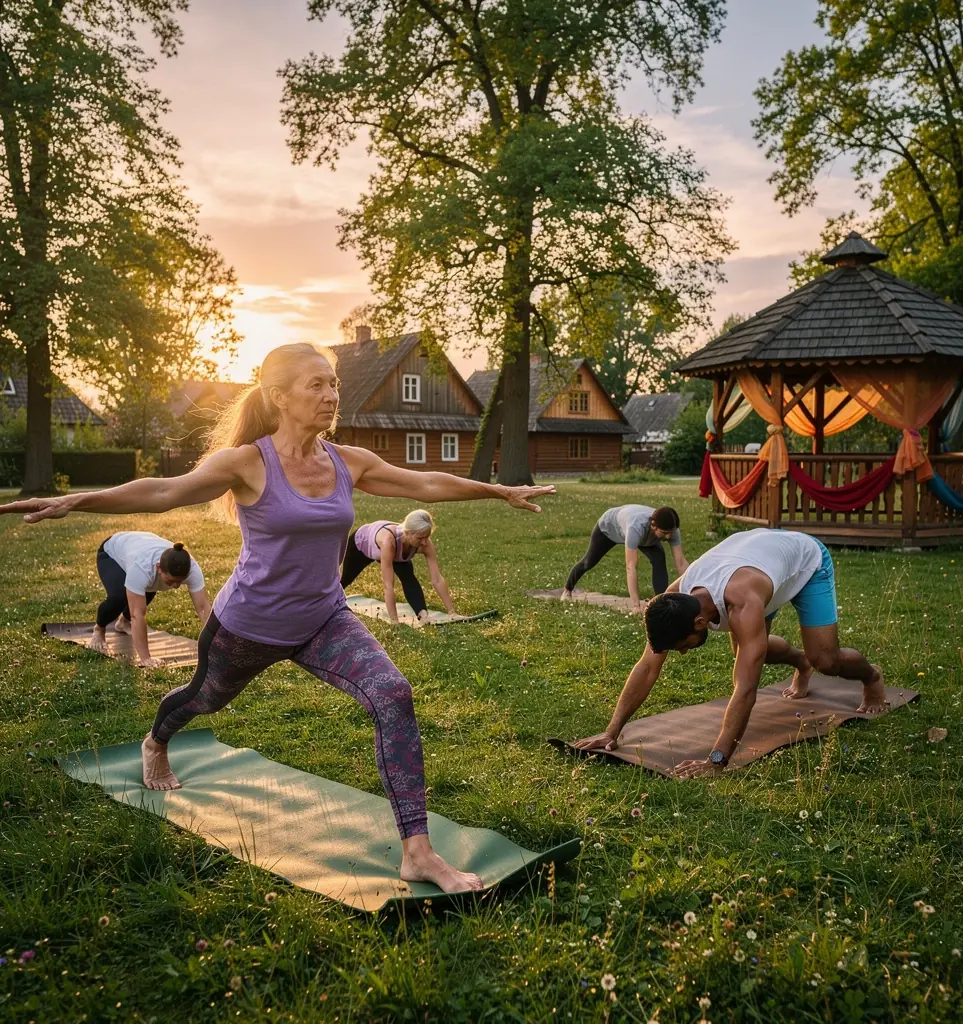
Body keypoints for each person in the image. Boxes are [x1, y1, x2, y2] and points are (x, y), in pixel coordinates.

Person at [1, 341, 554, 893]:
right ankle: (155, 742)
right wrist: (77, 501)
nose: (331, 395)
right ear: (277, 396)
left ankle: (417, 852)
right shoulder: (248, 462)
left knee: (393, 692)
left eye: (333, 384)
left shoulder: (346, 461)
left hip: (324, 621)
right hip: (247, 625)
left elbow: (426, 483)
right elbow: (167, 490)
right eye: (316, 385)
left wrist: (498, 489)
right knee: (203, 698)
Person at [574, 528, 886, 778]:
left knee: (825, 660)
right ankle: (800, 663)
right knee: (751, 651)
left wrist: (717, 760)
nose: (681, 654)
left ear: (700, 622)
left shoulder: (743, 604)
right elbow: (647, 666)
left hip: (805, 561)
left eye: (681, 646)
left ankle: (871, 678)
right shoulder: (673, 599)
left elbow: (746, 688)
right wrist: (611, 730)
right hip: (755, 557)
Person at [90, 532, 212, 667]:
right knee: (118, 598)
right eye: (171, 581)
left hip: (139, 547)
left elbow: (203, 608)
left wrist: (218, 643)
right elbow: (137, 615)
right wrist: (146, 658)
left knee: (149, 587)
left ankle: (123, 623)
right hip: (111, 553)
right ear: (159, 567)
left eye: (180, 581)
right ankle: (99, 629)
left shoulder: (191, 568)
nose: (176, 587)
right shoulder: (142, 567)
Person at [341, 510, 461, 625]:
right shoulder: (389, 542)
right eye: (420, 538)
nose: (425, 542)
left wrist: (452, 612)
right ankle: (328, 604)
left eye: (427, 537)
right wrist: (394, 621)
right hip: (361, 544)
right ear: (407, 533)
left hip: (396, 549)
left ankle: (423, 615)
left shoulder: (424, 543)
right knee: (345, 579)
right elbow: (388, 586)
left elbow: (437, 579)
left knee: (408, 577)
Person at [562, 504, 687, 613]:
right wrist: (636, 606)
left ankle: (660, 603)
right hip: (609, 528)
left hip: (645, 537)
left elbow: (681, 562)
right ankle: (567, 590)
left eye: (671, 532)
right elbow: (630, 566)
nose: (669, 536)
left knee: (659, 560)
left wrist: (692, 589)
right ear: (653, 525)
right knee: (588, 562)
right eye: (665, 533)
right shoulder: (636, 526)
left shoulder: (671, 529)